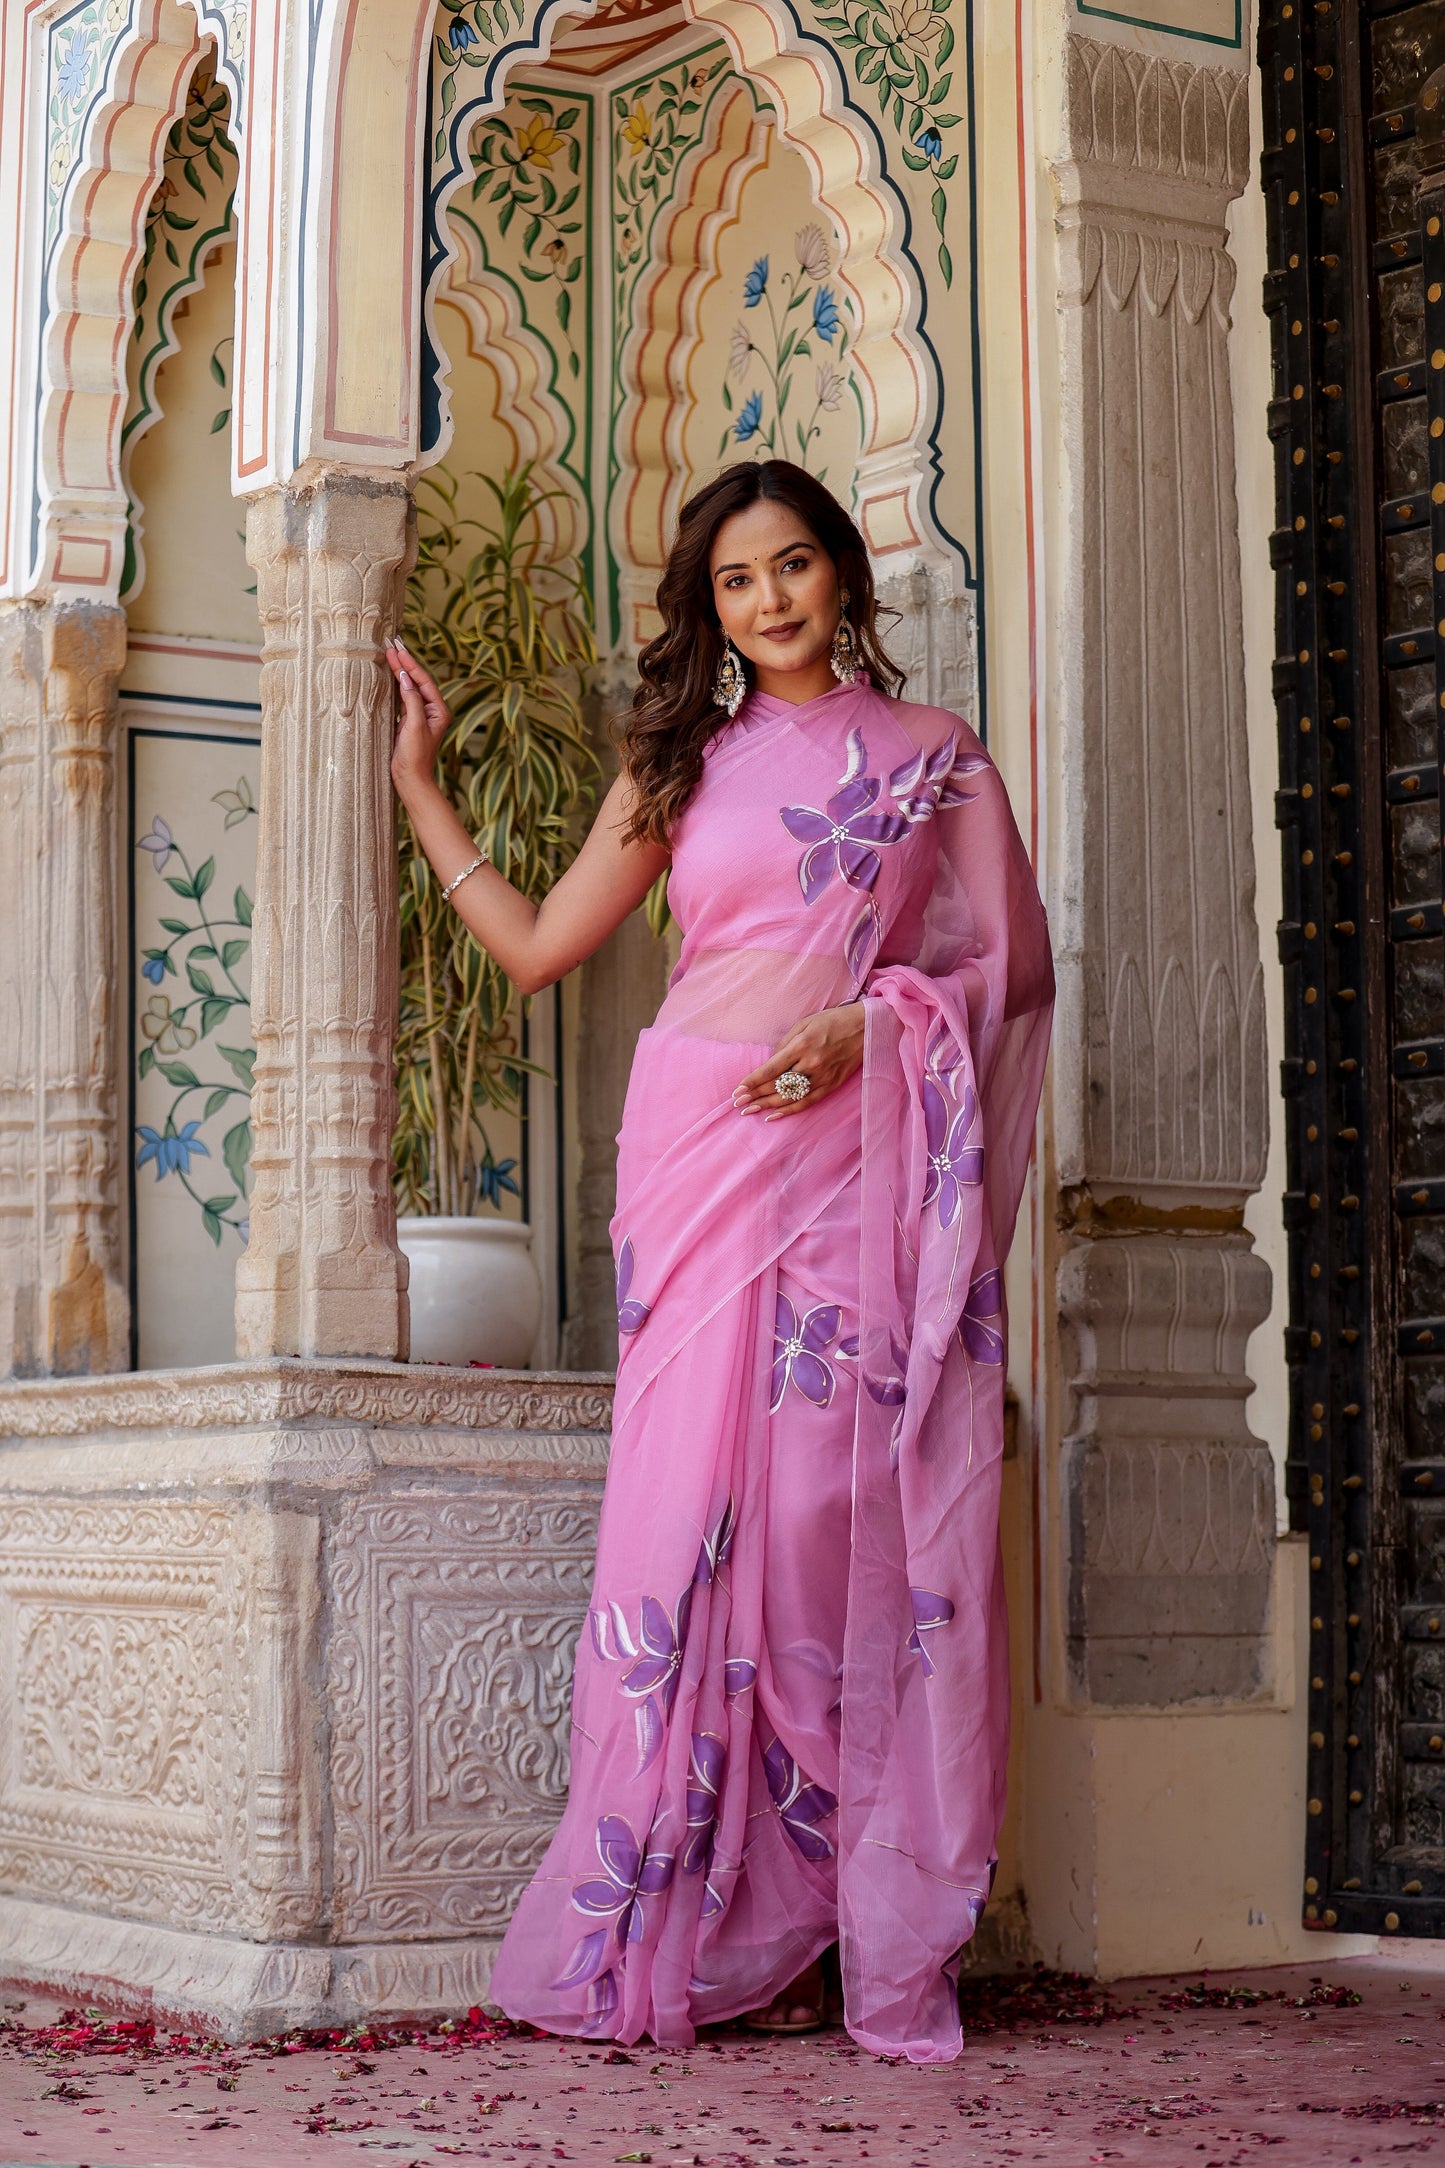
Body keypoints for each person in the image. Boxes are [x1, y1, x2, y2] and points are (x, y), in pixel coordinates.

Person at [384, 459, 1053, 2064]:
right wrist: (418, 789)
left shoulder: (933, 758)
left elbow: (1013, 969)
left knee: (824, 1522)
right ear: (708, 605)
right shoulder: (677, 761)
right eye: (736, 581)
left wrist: (869, 1027)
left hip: (846, 1165)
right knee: (684, 1526)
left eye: (793, 565)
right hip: (693, 1156)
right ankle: (690, 1921)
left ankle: (819, 1915)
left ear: (842, 575)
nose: (768, 601)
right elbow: (538, 948)